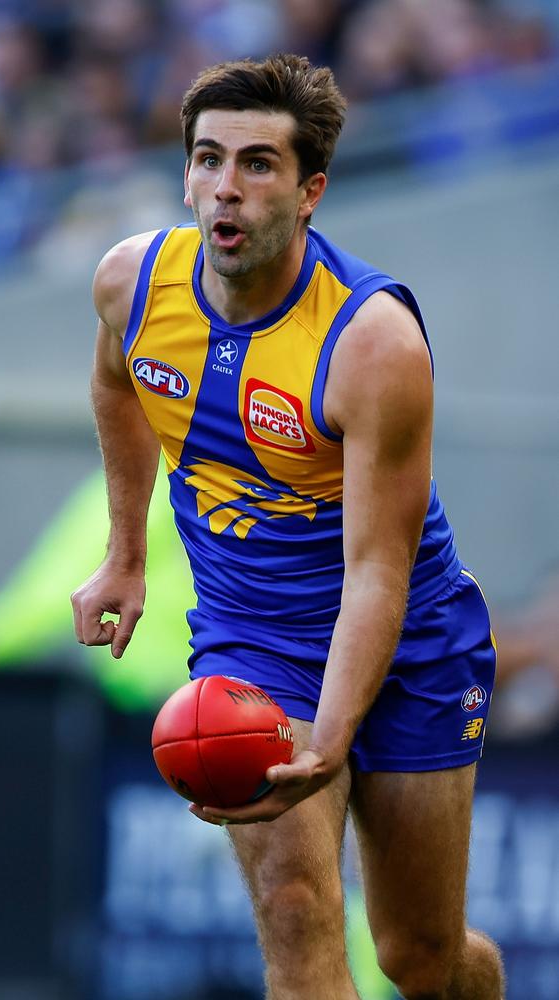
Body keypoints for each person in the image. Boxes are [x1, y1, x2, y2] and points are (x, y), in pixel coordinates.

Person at [71, 54, 505, 1000]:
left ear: (311, 191)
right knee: (300, 916)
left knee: (419, 957)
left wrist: (332, 736)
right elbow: (118, 385)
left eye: (259, 164)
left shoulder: (373, 344)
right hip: (252, 638)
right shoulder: (131, 287)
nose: (226, 187)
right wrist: (125, 556)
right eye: (208, 158)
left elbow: (380, 575)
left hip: (409, 638)